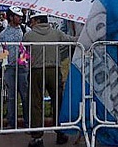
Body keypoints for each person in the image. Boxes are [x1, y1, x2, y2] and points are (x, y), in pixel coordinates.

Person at [24, 13, 75, 147]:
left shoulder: (28, 35)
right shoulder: (56, 33)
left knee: (36, 103)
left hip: (36, 70)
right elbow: (72, 40)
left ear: (36, 20)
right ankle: (60, 132)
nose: (30, 23)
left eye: (32, 20)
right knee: (58, 101)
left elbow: (23, 52)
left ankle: (37, 137)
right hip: (54, 69)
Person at [0, 6, 29, 129]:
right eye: (17, 16)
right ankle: (11, 122)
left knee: (25, 95)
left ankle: (28, 121)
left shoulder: (25, 31)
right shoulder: (3, 34)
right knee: (11, 96)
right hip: (9, 68)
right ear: (11, 17)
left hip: (23, 68)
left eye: (20, 16)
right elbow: (0, 52)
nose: (20, 18)